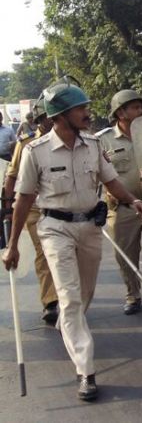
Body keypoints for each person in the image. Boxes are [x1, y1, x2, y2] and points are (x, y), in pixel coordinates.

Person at [2, 79, 142, 401]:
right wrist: (11, 245)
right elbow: (24, 200)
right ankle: (85, 370)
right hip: (55, 229)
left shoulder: (94, 145)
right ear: (60, 115)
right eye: (79, 108)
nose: (86, 112)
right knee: (68, 299)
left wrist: (131, 201)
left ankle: (70, 324)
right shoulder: (34, 152)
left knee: (83, 295)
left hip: (89, 228)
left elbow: (110, 182)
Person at [98, 89, 142, 318]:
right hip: (122, 208)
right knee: (125, 255)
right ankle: (133, 295)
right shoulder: (103, 140)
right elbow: (94, 174)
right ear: (120, 112)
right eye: (136, 108)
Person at [3, 98, 58, 323]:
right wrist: (7, 209)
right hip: (35, 208)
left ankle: (68, 297)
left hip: (65, 206)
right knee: (44, 251)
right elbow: (11, 177)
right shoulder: (25, 145)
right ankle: (51, 301)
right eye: (48, 117)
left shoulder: (75, 140)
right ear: (40, 120)